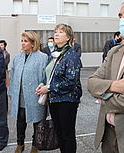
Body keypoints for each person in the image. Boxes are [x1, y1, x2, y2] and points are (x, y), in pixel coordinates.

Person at [87, 0, 124, 153]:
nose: (122, 19)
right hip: (108, 134)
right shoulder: (115, 51)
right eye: (120, 15)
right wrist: (113, 85)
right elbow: (92, 82)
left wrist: (103, 99)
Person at [36, 24, 82, 153]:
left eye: (60, 32)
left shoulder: (72, 55)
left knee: (67, 135)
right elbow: (49, 74)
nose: (56, 34)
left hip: (67, 100)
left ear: (68, 38)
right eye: (55, 32)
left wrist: (49, 87)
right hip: (54, 99)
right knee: (59, 133)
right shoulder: (54, 54)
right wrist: (42, 83)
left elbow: (71, 81)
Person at [8, 31, 47, 153]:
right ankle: (20, 144)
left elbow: (45, 77)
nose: (23, 43)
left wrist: (42, 86)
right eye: (22, 41)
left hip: (34, 95)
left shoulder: (42, 57)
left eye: (26, 41)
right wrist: (11, 91)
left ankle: (35, 145)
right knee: (20, 122)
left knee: (37, 122)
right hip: (20, 96)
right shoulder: (18, 57)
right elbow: (13, 75)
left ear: (33, 43)